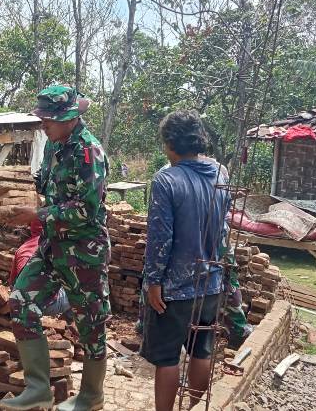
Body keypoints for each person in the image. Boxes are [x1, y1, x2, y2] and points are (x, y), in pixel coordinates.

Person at [0, 85, 111, 411]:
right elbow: (41, 185)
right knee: (21, 300)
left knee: (90, 325)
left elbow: (86, 210)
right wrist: (12, 191)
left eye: (48, 120)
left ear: (70, 118)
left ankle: (92, 395)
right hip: (51, 247)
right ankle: (38, 388)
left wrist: (37, 214)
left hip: (83, 252)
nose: (43, 125)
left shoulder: (89, 152)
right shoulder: (54, 146)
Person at [140, 110, 231, 411]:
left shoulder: (166, 180)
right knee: (200, 352)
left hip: (176, 288)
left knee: (166, 359)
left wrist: (153, 281)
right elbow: (225, 230)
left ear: (169, 144)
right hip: (211, 284)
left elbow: (160, 238)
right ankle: (193, 407)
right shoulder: (221, 173)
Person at [9, 219, 70, 318]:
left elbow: (12, 283)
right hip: (43, 305)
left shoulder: (22, 249)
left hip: (20, 301)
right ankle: (71, 320)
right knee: (83, 291)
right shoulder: (55, 246)